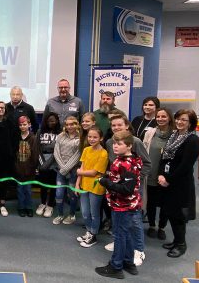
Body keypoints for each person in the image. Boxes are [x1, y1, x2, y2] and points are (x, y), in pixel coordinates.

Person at [105, 114, 151, 266]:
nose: (116, 128)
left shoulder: (134, 142)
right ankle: (121, 244)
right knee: (120, 221)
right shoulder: (110, 142)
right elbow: (115, 164)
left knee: (134, 220)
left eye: (119, 125)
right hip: (117, 191)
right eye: (113, 125)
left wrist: (134, 180)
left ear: (127, 126)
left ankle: (138, 250)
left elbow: (146, 164)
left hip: (130, 189)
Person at [95, 130, 142, 279]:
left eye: (119, 144)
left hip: (123, 206)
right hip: (126, 204)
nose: (115, 146)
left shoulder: (126, 164)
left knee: (120, 235)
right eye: (114, 143)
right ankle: (128, 262)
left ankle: (116, 266)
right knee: (125, 233)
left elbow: (126, 189)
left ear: (129, 146)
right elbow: (122, 180)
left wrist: (105, 182)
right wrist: (110, 176)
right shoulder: (127, 159)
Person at [158, 109, 199, 258]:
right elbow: (165, 158)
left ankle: (181, 245)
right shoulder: (173, 136)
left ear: (191, 123)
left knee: (179, 215)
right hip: (168, 181)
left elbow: (185, 166)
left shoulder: (192, 140)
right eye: (178, 119)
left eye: (184, 120)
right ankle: (176, 240)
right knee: (170, 211)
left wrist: (168, 179)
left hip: (180, 183)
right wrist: (162, 175)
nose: (179, 122)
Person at [143, 107, 174, 240]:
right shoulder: (151, 132)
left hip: (166, 174)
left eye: (164, 116)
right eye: (158, 116)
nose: (160, 119)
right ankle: (151, 225)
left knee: (165, 202)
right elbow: (144, 150)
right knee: (150, 201)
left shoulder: (175, 134)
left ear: (169, 118)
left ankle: (162, 227)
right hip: (151, 172)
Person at [75, 126, 108, 248]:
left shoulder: (103, 153)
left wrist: (79, 172)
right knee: (85, 212)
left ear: (101, 138)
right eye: (90, 137)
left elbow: (94, 172)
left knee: (94, 213)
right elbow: (82, 167)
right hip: (84, 185)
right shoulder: (86, 150)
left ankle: (93, 234)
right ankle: (89, 231)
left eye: (95, 137)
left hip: (96, 187)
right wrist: (78, 182)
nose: (92, 139)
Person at [52, 116, 81, 225]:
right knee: (59, 194)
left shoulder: (80, 138)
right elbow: (56, 152)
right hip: (61, 170)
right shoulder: (60, 136)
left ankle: (72, 215)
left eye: (72, 124)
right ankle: (60, 215)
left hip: (73, 171)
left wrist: (66, 168)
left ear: (77, 124)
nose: (69, 126)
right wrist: (62, 168)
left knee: (72, 195)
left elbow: (77, 155)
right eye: (67, 124)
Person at [0, 101, 17, 217]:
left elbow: (15, 139)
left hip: (7, 157)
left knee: (5, 181)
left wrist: (12, 153)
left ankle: (3, 204)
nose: (0, 109)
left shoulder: (10, 123)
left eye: (2, 108)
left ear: (5, 110)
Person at [35, 112, 61, 218]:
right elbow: (37, 147)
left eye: (53, 121)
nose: (51, 122)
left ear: (57, 121)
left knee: (52, 184)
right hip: (42, 160)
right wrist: (42, 163)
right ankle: (42, 203)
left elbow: (58, 150)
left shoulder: (60, 133)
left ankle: (50, 205)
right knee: (43, 184)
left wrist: (49, 162)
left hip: (54, 160)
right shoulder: (40, 131)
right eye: (49, 121)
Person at [15, 116, 38, 217]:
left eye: (24, 124)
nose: (22, 126)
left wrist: (33, 167)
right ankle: (21, 207)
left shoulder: (33, 138)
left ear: (29, 125)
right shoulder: (16, 138)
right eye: (20, 125)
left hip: (30, 169)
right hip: (18, 168)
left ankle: (29, 207)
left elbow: (35, 154)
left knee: (28, 189)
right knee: (20, 189)